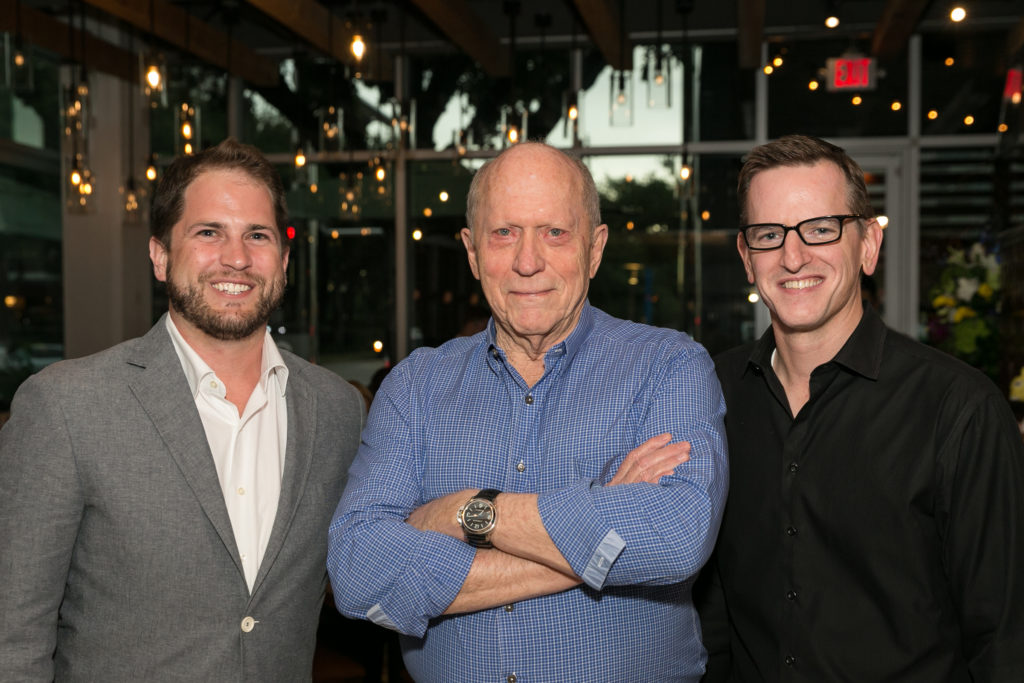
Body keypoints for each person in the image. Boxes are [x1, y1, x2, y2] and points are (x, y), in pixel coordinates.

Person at [328, 142, 728, 682]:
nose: (527, 260)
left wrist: (468, 511)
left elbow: (677, 536)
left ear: (595, 248)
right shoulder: (416, 386)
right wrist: (599, 521)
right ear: (471, 252)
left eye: (554, 233)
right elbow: (356, 570)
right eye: (504, 233)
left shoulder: (669, 367)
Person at [0, 138, 364, 681]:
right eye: (208, 232)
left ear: (284, 261)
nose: (236, 257)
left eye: (257, 235)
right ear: (160, 256)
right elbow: (14, 635)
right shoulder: (66, 407)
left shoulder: (337, 410)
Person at [697, 134, 1024, 680]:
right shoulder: (712, 396)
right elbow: (713, 616)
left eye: (822, 229)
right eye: (769, 234)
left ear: (868, 245)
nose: (793, 255)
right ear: (746, 257)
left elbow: (1005, 640)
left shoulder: (959, 410)